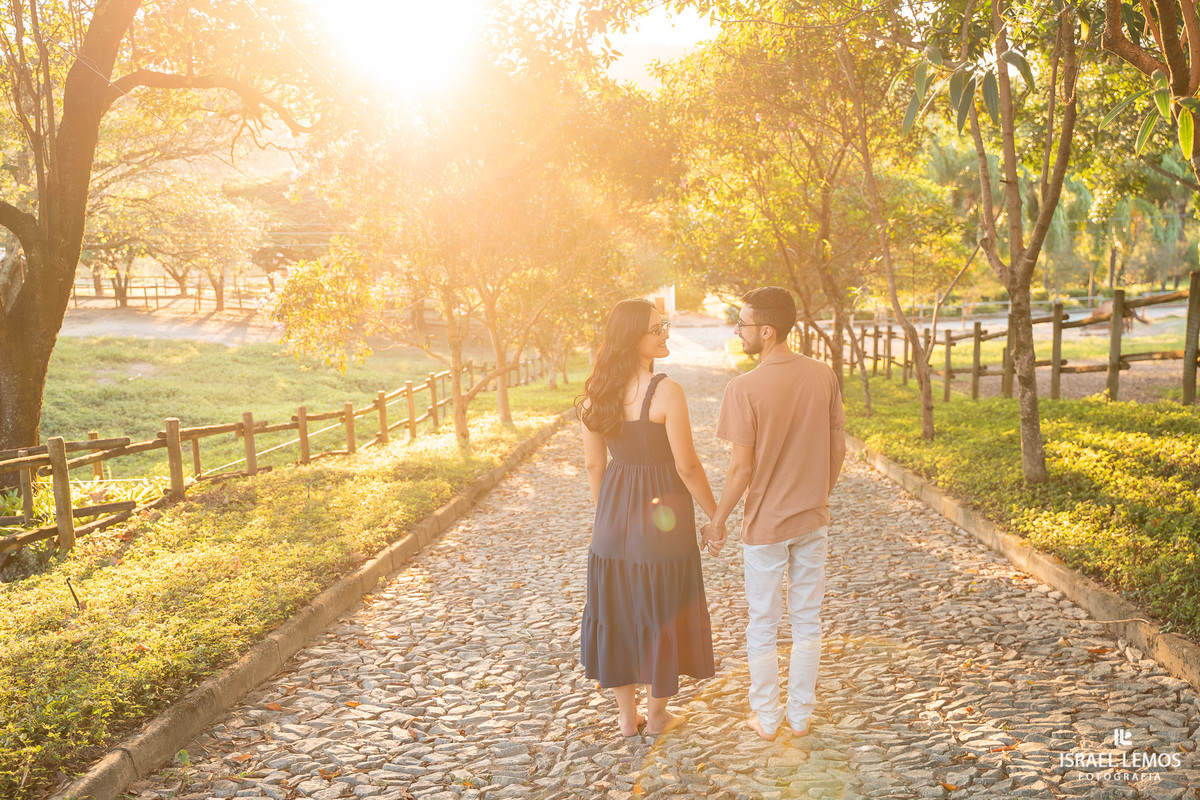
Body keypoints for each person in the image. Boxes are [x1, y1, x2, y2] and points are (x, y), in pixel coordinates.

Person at [702, 286, 846, 742]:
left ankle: (766, 718)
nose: (738, 331)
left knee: (762, 623)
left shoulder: (743, 388)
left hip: (764, 528)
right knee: (807, 620)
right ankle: (800, 717)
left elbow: (741, 467)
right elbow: (838, 446)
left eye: (743, 324)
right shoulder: (823, 375)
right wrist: (817, 494)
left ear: (766, 331)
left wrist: (718, 519)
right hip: (812, 520)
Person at [576, 298, 718, 736]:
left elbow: (594, 466)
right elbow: (688, 467)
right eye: (657, 329)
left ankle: (626, 717)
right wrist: (717, 515)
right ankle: (656, 717)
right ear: (632, 338)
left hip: (613, 514)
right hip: (663, 520)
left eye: (666, 325)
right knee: (665, 609)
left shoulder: (593, 395)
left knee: (616, 609)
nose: (666, 333)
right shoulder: (665, 391)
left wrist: (606, 519)